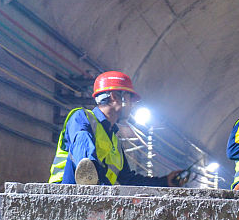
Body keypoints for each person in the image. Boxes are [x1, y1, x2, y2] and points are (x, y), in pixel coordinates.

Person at [48, 70, 181, 187]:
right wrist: (105, 189)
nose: (132, 105)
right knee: (86, 162)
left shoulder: (115, 142)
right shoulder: (82, 118)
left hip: (96, 195)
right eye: (130, 99)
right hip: (64, 192)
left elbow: (128, 181)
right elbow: (84, 157)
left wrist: (164, 182)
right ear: (115, 97)